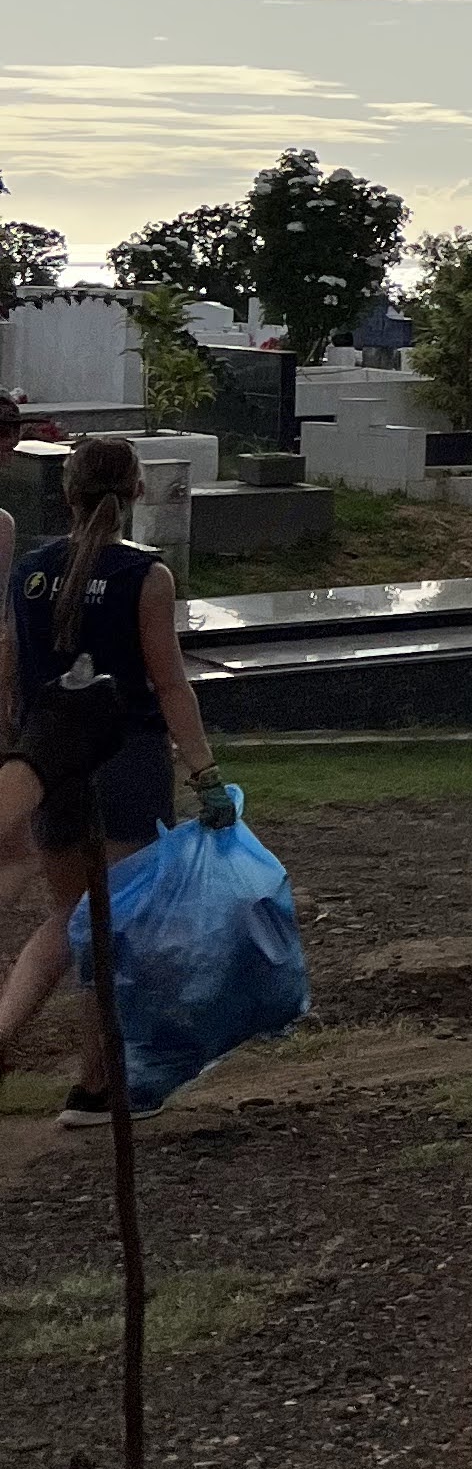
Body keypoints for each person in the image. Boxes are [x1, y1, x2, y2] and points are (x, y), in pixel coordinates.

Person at [0, 436, 221, 1127]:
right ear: (137, 494)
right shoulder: (144, 577)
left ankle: (88, 1078)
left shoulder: (31, 571)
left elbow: (8, 668)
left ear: (66, 493)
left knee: (74, 917)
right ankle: (92, 1080)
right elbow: (168, 681)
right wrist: (206, 774)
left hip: (47, 760)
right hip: (127, 757)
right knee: (112, 925)